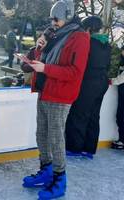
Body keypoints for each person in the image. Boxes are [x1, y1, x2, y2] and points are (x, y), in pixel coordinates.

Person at [21, 1, 90, 199]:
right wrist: (37, 49)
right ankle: (46, 170)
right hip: (44, 90)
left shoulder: (80, 37)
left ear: (68, 16)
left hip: (60, 95)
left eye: (56, 18)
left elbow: (76, 72)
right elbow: (43, 59)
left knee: (55, 138)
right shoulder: (54, 34)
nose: (53, 22)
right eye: (52, 18)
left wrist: (46, 69)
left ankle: (60, 179)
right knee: (41, 134)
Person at [65, 16, 111, 159]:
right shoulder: (106, 44)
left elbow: (81, 63)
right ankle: (89, 149)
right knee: (93, 115)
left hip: (88, 82)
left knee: (79, 113)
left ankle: (74, 148)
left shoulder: (88, 42)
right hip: (101, 82)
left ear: (89, 29)